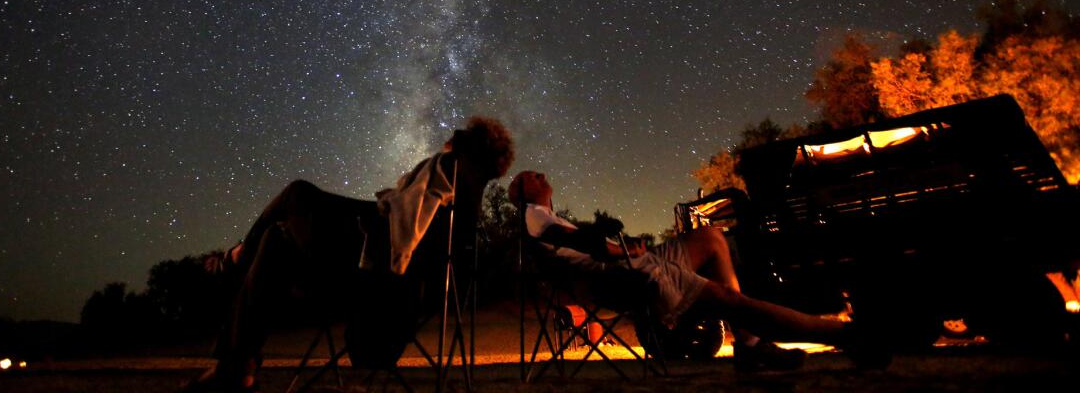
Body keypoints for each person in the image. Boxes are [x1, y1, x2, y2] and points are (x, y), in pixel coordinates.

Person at [185, 117, 515, 392]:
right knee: (274, 239)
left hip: (372, 277)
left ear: (466, 144)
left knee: (297, 193)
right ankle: (238, 367)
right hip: (371, 274)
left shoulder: (449, 172)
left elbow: (399, 227)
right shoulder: (463, 201)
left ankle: (237, 260)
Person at [508, 170, 890, 371]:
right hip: (626, 278)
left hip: (631, 263)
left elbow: (580, 244)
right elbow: (581, 245)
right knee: (729, 300)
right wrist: (615, 248)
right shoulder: (534, 216)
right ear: (523, 193)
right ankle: (847, 336)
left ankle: (749, 345)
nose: (539, 175)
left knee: (711, 237)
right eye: (531, 176)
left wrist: (626, 247)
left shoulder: (545, 215)